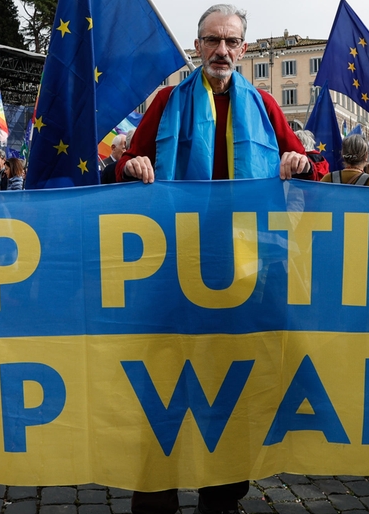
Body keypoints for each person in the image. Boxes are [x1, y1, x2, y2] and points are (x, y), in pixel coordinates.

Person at [115, 5, 307, 514]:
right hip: (169, 270)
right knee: (163, 384)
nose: (222, 50)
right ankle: (155, 492)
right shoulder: (165, 102)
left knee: (233, 384)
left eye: (231, 42)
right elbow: (127, 161)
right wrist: (132, 164)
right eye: (212, 41)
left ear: (244, 49)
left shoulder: (266, 104)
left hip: (243, 274)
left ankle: (221, 494)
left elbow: (313, 165)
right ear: (196, 46)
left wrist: (300, 161)